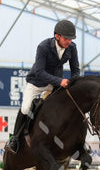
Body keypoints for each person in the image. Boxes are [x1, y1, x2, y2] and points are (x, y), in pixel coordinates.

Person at [5, 19, 80, 154]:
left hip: (55, 84)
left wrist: (74, 83)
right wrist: (59, 81)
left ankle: (77, 140)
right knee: (26, 107)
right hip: (37, 82)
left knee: (70, 103)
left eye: (71, 39)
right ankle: (14, 139)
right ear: (57, 36)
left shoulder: (72, 48)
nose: (69, 41)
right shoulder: (43, 47)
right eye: (66, 38)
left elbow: (75, 70)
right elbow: (40, 72)